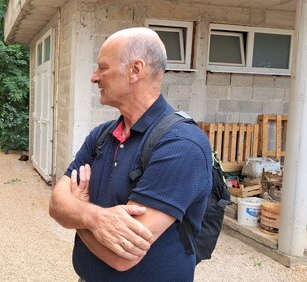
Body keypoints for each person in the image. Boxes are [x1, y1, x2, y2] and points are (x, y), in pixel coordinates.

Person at [49, 27, 212, 281]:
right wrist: (94, 218)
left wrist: (78, 211)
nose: (94, 77)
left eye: (103, 68)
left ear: (136, 70)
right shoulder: (102, 135)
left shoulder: (181, 144)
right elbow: (57, 204)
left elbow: (123, 255)